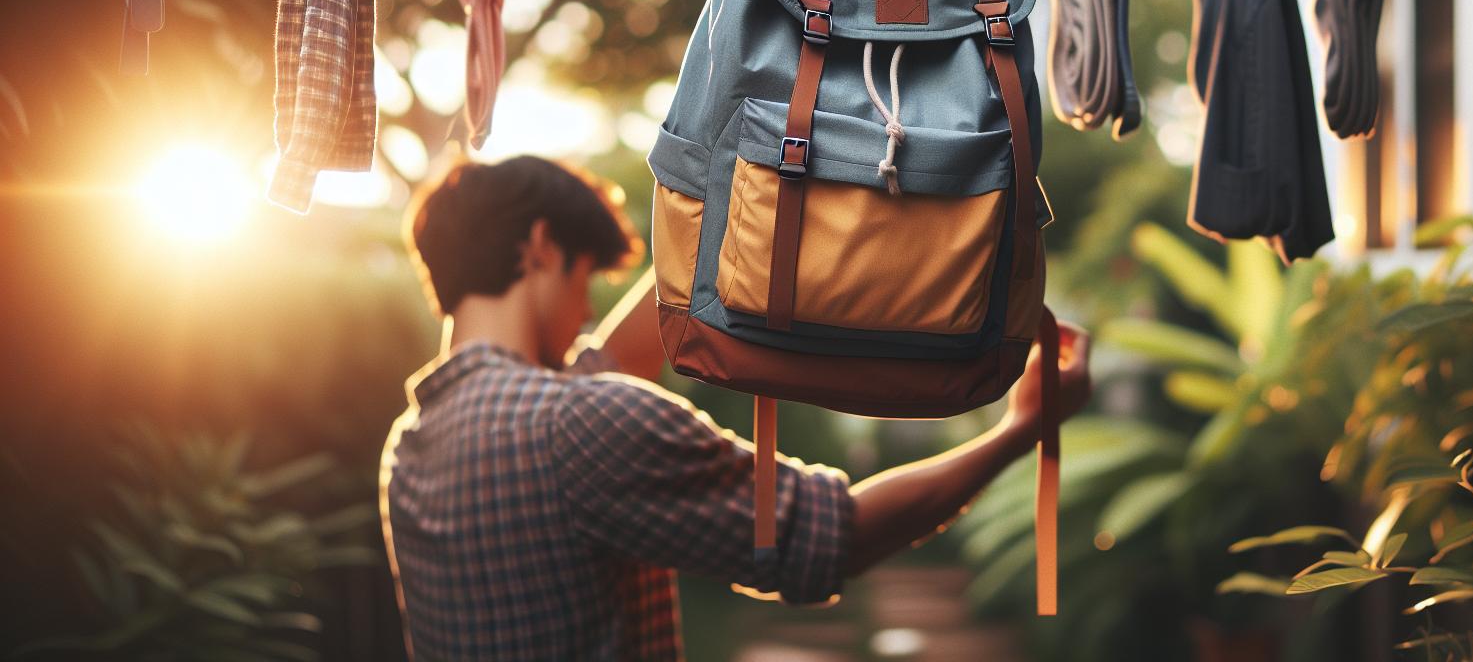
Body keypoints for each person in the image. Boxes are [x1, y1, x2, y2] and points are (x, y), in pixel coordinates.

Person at [381, 155, 1091, 661]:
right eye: (588, 278)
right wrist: (1022, 428)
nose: (585, 310)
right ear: (540, 247)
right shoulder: (575, 423)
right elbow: (831, 538)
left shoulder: (411, 445)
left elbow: (607, 363)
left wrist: (724, 190)